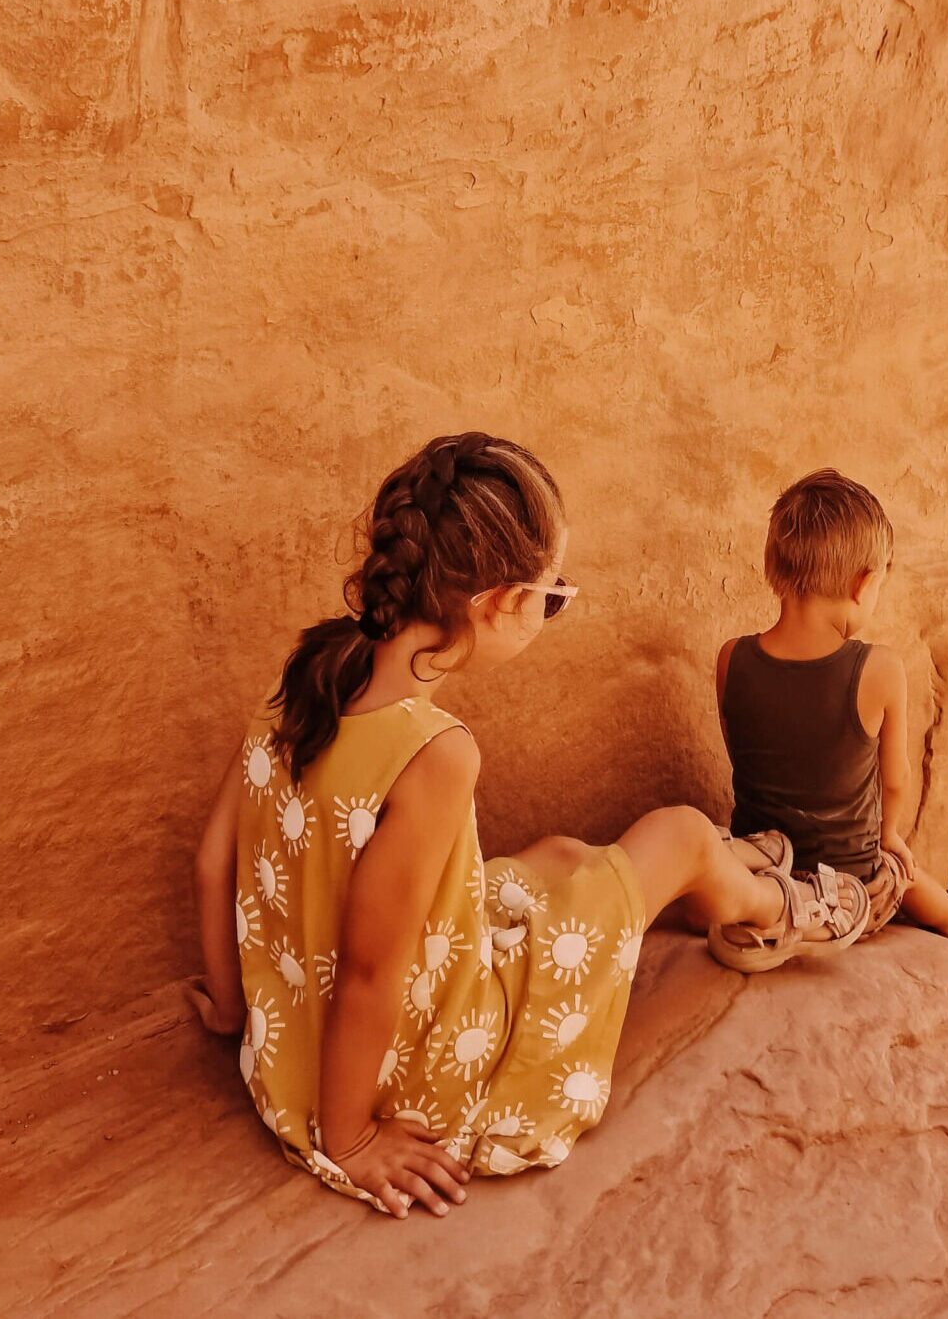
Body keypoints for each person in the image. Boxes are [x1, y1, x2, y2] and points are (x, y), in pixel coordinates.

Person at [188, 432, 870, 1219]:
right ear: (495, 603)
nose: (551, 609)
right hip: (412, 1068)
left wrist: (237, 1015)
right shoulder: (434, 754)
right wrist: (349, 1141)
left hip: (297, 1049)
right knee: (675, 832)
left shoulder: (309, 670)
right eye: (551, 594)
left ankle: (731, 865)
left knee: (557, 856)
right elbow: (373, 972)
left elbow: (213, 862)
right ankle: (776, 910)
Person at [707, 467, 948, 972]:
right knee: (892, 866)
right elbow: (897, 782)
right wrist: (889, 838)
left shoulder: (731, 658)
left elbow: (742, 755)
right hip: (844, 891)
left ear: (772, 564)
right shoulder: (878, 668)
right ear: (864, 585)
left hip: (759, 871)